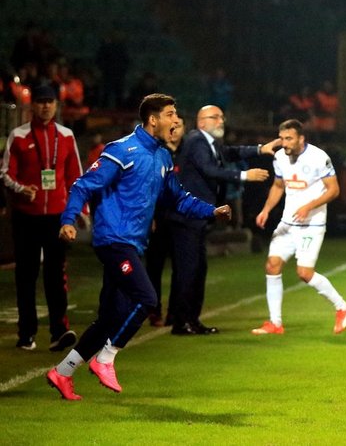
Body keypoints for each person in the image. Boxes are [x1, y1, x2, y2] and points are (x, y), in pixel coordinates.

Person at [46, 94, 231, 400]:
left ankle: (62, 372)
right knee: (146, 298)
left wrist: (211, 211)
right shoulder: (122, 150)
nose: (175, 120)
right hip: (113, 240)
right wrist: (68, 219)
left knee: (111, 316)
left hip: (132, 244)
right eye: (170, 114)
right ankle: (105, 358)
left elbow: (178, 199)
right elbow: (83, 184)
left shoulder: (162, 157)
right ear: (153, 120)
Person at [168, 105, 280, 335]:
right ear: (201, 122)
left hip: (197, 216)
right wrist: (244, 175)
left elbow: (231, 153)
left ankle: (191, 320)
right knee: (188, 269)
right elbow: (209, 170)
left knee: (197, 269)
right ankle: (181, 322)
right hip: (187, 216)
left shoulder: (209, 143)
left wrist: (259, 149)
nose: (221, 121)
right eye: (215, 117)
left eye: (222, 117)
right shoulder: (196, 141)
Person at [251, 119, 346, 336]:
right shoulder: (280, 157)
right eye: (282, 138)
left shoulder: (318, 157)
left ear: (301, 139)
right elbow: (278, 185)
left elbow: (334, 190)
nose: (284, 143)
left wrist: (309, 206)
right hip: (288, 223)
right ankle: (275, 323)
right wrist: (266, 209)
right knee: (272, 265)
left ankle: (343, 307)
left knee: (304, 273)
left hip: (311, 225)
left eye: (289, 138)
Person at [1, 84, 84, 352]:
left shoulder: (67, 136)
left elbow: (75, 177)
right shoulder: (18, 135)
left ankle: (59, 331)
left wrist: (79, 211)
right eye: (41, 101)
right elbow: (5, 173)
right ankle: (26, 333)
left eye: (50, 101)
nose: (46, 106)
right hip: (26, 216)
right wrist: (20, 189)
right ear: (32, 105)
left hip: (56, 217)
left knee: (56, 275)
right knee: (26, 275)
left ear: (57, 105)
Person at [145, 116, 185, 327]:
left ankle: (174, 312)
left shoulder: (189, 153)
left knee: (181, 267)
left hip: (182, 218)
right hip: (160, 217)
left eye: (179, 126)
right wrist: (150, 216)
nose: (175, 129)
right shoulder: (156, 152)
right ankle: (154, 310)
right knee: (155, 266)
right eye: (172, 125)